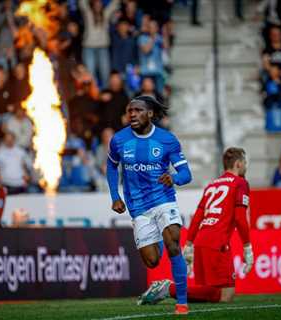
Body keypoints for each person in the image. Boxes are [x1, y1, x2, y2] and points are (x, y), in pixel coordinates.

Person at [106, 95, 192, 315]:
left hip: (163, 198)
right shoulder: (119, 140)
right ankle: (157, 242)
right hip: (138, 206)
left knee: (173, 242)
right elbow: (111, 166)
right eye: (129, 110)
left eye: (137, 110)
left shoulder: (167, 139)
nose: (132, 114)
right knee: (152, 261)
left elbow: (186, 173)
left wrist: (174, 178)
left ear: (150, 114)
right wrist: (115, 195)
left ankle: (182, 302)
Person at [139, 147, 254, 304]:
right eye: (245, 163)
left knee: (210, 293)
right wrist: (247, 247)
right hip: (217, 243)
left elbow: (198, 216)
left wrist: (189, 244)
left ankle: (168, 289)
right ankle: (169, 288)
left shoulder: (212, 185)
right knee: (225, 295)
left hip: (201, 241)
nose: (245, 166)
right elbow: (240, 218)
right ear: (239, 164)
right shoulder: (240, 183)